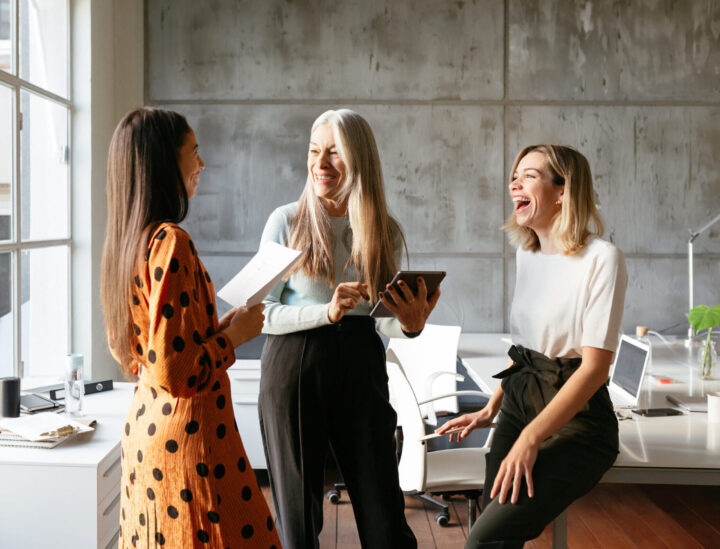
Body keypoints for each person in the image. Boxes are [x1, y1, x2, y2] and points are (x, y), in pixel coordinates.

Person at [258, 109, 440, 548]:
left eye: (334, 153)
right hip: (294, 363)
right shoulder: (286, 221)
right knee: (300, 521)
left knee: (384, 518)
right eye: (314, 152)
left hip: (361, 361)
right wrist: (327, 312)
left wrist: (410, 324)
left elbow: (385, 317)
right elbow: (262, 313)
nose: (320, 164)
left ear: (360, 160)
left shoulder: (383, 229)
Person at [101, 107, 281, 549]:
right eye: (194, 153)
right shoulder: (170, 242)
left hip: (150, 431)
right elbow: (176, 371)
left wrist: (221, 327)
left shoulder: (128, 241)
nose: (201, 165)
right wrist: (235, 337)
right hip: (190, 444)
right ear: (166, 162)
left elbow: (155, 351)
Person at [437, 145, 627, 548]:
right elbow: (524, 350)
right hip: (518, 406)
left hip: (577, 421)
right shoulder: (527, 253)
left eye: (530, 175)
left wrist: (531, 438)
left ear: (563, 191)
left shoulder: (602, 258)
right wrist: (491, 407)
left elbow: (594, 369)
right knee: (498, 543)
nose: (514, 183)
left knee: (484, 540)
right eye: (514, 176)